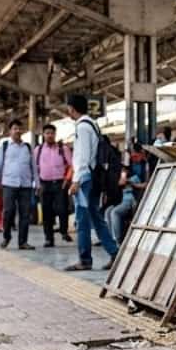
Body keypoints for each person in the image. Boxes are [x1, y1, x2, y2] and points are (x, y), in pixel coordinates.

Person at [65, 94, 118, 271]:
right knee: (96, 217)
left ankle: (85, 259)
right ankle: (114, 253)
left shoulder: (82, 127)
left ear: (72, 108)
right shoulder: (92, 125)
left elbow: (83, 156)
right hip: (92, 177)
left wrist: (76, 181)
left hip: (85, 179)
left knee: (82, 220)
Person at [0, 119, 37, 250]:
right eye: (15, 128)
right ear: (10, 131)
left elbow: (33, 167)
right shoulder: (4, 146)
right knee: (8, 211)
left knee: (25, 214)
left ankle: (23, 242)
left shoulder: (28, 147)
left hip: (26, 185)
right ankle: (7, 237)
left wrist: (37, 183)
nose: (17, 131)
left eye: (19, 128)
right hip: (9, 184)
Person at [35, 123, 73, 247]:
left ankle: (63, 230)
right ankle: (49, 238)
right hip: (44, 184)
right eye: (47, 133)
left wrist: (67, 180)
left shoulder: (63, 149)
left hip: (59, 184)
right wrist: (36, 184)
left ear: (55, 134)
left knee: (62, 209)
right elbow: (34, 168)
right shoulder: (38, 150)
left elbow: (72, 165)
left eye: (52, 133)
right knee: (46, 212)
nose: (50, 135)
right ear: (43, 135)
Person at [105, 164, 144, 244]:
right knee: (108, 211)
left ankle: (118, 241)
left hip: (131, 199)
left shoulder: (137, 175)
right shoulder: (119, 176)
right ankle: (112, 239)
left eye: (124, 171)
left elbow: (145, 184)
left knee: (115, 212)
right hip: (121, 200)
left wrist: (132, 184)